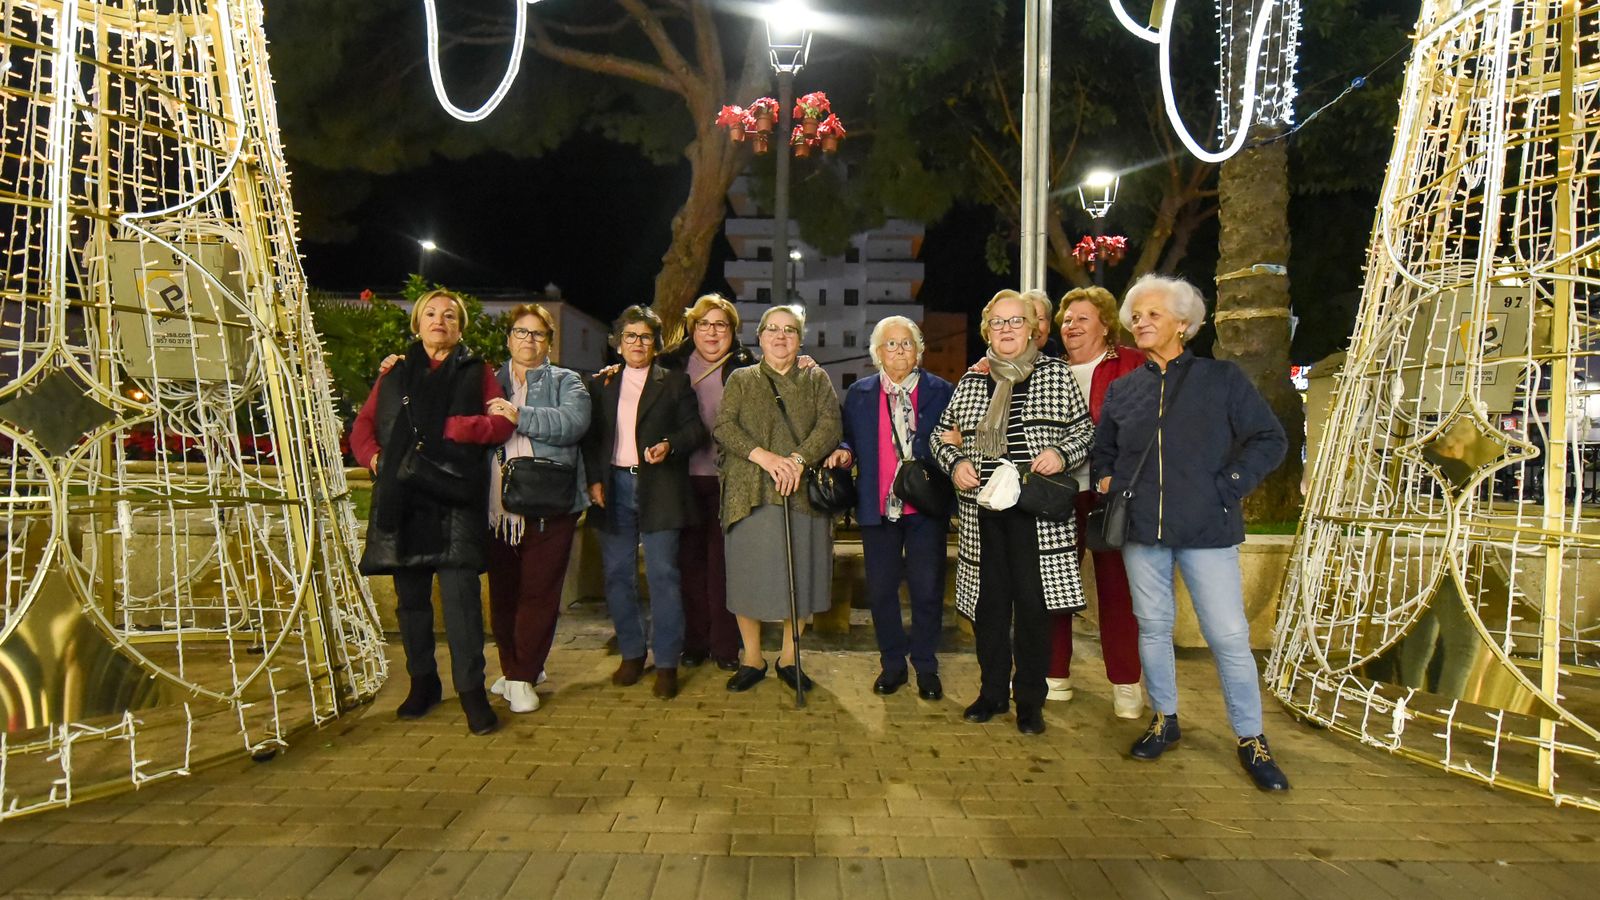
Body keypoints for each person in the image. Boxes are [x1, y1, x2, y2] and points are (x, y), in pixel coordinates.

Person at [1090, 274, 1290, 791]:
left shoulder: (1220, 379)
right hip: (1142, 531)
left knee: (1228, 636)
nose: (1141, 322)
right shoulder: (1124, 389)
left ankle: (1251, 737)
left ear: (1183, 323)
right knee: (1153, 628)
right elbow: (1103, 450)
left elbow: (1269, 438)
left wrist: (1229, 486)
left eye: (1153, 314)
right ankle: (1165, 719)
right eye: (1136, 316)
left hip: (1207, 529)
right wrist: (1108, 477)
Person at [353, 289, 514, 736]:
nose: (439, 320)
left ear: (460, 327)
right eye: (430, 313)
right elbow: (363, 425)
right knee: (411, 604)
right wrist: (375, 460)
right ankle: (422, 683)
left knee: (462, 603)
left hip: (454, 497)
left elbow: (502, 422)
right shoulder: (394, 373)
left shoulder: (477, 371)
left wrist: (455, 427)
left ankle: (472, 692)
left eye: (449, 315)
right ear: (417, 324)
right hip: (403, 497)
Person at [933, 290, 1094, 735]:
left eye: (1015, 321)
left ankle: (1029, 702)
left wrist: (1061, 454)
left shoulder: (1055, 375)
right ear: (988, 331)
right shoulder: (973, 381)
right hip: (983, 515)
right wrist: (956, 463)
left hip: (1037, 515)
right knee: (989, 610)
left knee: (1033, 610)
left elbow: (1085, 432)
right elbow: (939, 437)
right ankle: (991, 694)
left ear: (1032, 329)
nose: (1006, 329)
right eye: (998, 322)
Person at [714, 305, 843, 693]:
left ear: (800, 339)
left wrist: (798, 460)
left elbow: (830, 425)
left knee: (798, 575)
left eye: (789, 330)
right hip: (749, 491)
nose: (780, 336)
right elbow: (724, 426)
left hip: (800, 492)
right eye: (772, 329)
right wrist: (766, 458)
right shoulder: (741, 378)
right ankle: (752, 657)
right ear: (760, 336)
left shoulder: (816, 378)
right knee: (746, 576)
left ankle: (789, 657)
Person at [582, 305, 707, 700]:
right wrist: (594, 479)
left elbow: (696, 431)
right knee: (617, 574)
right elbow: (592, 439)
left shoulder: (674, 382)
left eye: (646, 337)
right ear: (619, 343)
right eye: (631, 336)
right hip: (613, 486)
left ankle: (667, 661)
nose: (638, 343)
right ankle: (632, 653)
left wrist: (669, 445)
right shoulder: (601, 384)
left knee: (663, 575)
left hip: (660, 487)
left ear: (656, 344)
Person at [833, 316, 954, 700]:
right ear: (877, 353)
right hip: (878, 506)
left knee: (927, 589)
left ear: (918, 350)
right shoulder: (860, 393)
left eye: (907, 343)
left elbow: (960, 433)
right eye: (891, 344)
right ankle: (892, 664)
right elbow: (849, 438)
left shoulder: (942, 391)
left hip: (925, 508)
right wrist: (845, 453)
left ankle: (926, 665)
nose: (899, 350)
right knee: (882, 591)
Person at [484, 304, 590, 715]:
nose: (529, 340)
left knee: (538, 593)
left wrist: (519, 415)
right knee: (504, 593)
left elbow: (573, 422)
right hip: (497, 507)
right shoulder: (488, 381)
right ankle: (516, 669)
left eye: (538, 334)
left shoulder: (566, 380)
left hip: (550, 503)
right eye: (521, 332)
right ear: (509, 338)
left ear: (549, 342)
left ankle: (522, 675)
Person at [1048, 287, 1146, 718]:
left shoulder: (1132, 365)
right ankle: (1054, 673)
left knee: (1116, 588)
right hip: (1060, 493)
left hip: (1111, 494)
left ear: (1105, 325)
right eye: (1067, 320)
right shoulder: (1052, 371)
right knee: (1055, 582)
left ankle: (1126, 682)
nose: (1071, 327)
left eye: (1082, 319)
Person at [659, 294, 756, 672]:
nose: (712, 332)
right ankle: (695, 642)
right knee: (688, 563)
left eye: (721, 325)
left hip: (729, 481)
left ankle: (725, 646)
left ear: (732, 331)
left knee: (724, 567)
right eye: (704, 324)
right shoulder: (670, 364)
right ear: (692, 328)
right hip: (681, 479)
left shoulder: (746, 366)